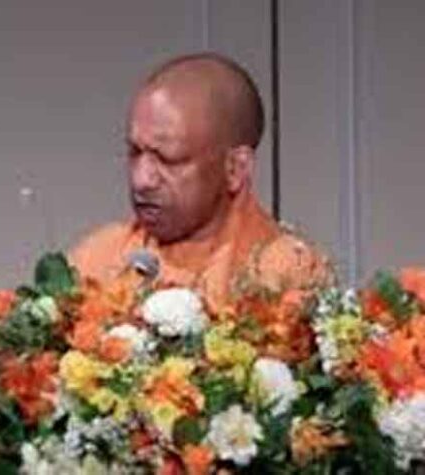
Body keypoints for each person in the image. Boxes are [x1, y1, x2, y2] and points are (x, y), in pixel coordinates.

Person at [69, 52, 333, 310]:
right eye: (135, 152)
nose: (141, 180)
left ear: (235, 168)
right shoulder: (99, 259)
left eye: (168, 159)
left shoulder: (284, 274)